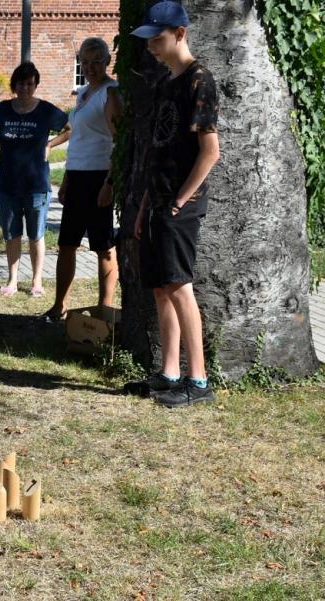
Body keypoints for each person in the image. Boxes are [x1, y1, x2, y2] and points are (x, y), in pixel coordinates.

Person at [129, 1, 221, 407]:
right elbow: (160, 147)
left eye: (158, 37)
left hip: (181, 204)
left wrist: (180, 200)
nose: (150, 44)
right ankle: (169, 373)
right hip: (158, 201)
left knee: (180, 286)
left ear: (180, 33)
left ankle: (198, 381)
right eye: (148, 37)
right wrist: (149, 200)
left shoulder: (200, 80)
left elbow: (210, 151)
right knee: (161, 289)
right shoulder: (167, 82)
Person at [41, 37, 122, 323]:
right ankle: (59, 306)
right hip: (77, 177)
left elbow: (119, 141)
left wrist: (110, 184)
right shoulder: (84, 92)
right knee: (67, 243)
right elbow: (78, 136)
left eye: (95, 62)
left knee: (102, 245)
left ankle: (105, 309)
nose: (89, 68)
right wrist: (65, 180)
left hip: (99, 177)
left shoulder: (111, 93)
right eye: (84, 62)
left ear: (106, 62)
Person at [0, 62, 70, 297]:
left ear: (36, 85)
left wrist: (50, 144)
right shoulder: (3, 109)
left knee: (36, 234)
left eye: (30, 83)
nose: (25, 88)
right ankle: (12, 280)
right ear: (14, 85)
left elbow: (70, 128)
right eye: (21, 83)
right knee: (12, 234)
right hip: (8, 182)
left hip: (37, 183)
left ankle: (37, 280)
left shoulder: (47, 111)